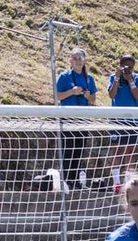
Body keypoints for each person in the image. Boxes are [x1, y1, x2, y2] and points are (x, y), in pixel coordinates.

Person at [55, 48, 97, 191]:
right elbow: (57, 97)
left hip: (82, 120)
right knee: (68, 150)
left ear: (84, 60)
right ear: (70, 61)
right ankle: (65, 180)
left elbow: (93, 100)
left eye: (80, 58)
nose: (78, 61)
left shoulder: (89, 78)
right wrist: (72, 92)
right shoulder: (64, 76)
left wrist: (86, 95)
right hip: (67, 119)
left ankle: (75, 180)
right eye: (75, 58)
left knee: (79, 151)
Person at [106, 53, 138, 190]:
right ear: (120, 66)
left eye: (131, 67)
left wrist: (130, 80)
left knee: (130, 152)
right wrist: (117, 77)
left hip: (133, 120)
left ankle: (129, 182)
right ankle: (116, 182)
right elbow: (112, 94)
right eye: (125, 66)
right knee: (116, 151)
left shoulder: (137, 78)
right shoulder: (113, 77)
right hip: (117, 120)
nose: (128, 69)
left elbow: (136, 96)